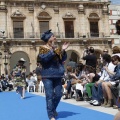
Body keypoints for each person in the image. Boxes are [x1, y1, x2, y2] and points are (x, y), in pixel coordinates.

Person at [38, 30, 69, 120]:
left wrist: (63, 50)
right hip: (47, 75)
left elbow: (62, 59)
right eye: (53, 36)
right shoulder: (42, 48)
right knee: (49, 95)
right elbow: (44, 59)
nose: (55, 37)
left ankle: (53, 109)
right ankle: (51, 115)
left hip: (57, 74)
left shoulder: (56, 48)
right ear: (48, 38)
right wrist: (53, 51)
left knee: (59, 94)